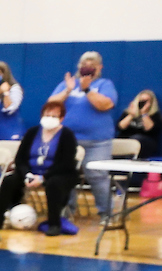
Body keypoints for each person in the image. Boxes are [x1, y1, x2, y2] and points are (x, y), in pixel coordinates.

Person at [0, 101, 78, 236]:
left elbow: (66, 163)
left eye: (54, 116)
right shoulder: (32, 132)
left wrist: (43, 178)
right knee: (9, 180)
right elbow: (20, 158)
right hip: (31, 173)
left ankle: (54, 223)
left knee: (54, 184)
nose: (50, 118)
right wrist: (27, 174)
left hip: (56, 173)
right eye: (47, 115)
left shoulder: (67, 135)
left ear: (61, 119)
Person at [49, 51, 118, 217]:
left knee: (97, 176)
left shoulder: (104, 84)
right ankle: (66, 213)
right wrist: (67, 91)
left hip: (97, 141)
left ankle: (107, 214)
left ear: (99, 68)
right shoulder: (67, 84)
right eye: (83, 65)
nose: (86, 68)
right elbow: (51, 105)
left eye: (91, 65)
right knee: (66, 175)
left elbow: (105, 104)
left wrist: (87, 90)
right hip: (68, 140)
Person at [117, 89, 162, 159]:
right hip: (126, 140)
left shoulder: (155, 115)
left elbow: (150, 129)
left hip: (145, 142)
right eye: (141, 100)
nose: (143, 103)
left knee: (136, 139)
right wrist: (131, 115)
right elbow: (120, 127)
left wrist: (144, 114)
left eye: (146, 101)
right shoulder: (128, 113)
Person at [0, 61, 24, 142]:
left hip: (10, 132)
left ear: (5, 74)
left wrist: (6, 92)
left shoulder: (14, 88)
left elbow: (10, 109)